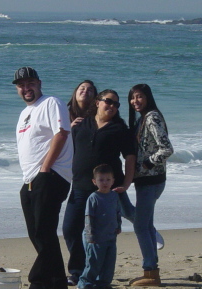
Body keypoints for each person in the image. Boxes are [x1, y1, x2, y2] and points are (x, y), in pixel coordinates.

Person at [63, 89, 136, 286]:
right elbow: (67, 148)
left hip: (106, 191)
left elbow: (130, 157)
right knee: (70, 229)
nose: (112, 106)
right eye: (108, 101)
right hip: (79, 186)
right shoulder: (81, 124)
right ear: (97, 102)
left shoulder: (120, 129)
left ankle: (91, 271)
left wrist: (127, 183)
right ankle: (78, 270)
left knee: (102, 235)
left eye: (116, 104)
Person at [13, 66, 73, 289]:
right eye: (21, 85)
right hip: (30, 179)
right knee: (37, 234)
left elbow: (62, 134)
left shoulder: (51, 103)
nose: (26, 88)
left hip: (51, 175)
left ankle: (38, 281)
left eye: (30, 83)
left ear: (39, 83)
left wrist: (46, 169)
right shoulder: (24, 113)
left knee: (43, 231)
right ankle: (57, 283)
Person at [127, 84, 173, 287]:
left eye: (139, 97)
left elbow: (167, 148)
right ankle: (152, 270)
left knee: (140, 226)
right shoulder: (142, 118)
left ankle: (151, 272)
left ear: (148, 98)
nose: (135, 101)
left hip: (151, 180)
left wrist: (148, 162)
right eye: (132, 98)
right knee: (145, 224)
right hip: (146, 180)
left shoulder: (152, 117)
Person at [77, 164, 122, 289]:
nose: (105, 183)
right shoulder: (94, 197)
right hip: (95, 238)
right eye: (101, 180)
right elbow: (89, 217)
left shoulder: (114, 195)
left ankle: (103, 284)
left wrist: (118, 225)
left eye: (108, 179)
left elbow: (117, 211)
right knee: (93, 263)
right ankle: (84, 284)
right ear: (94, 181)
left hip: (110, 236)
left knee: (109, 263)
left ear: (113, 181)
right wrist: (90, 236)